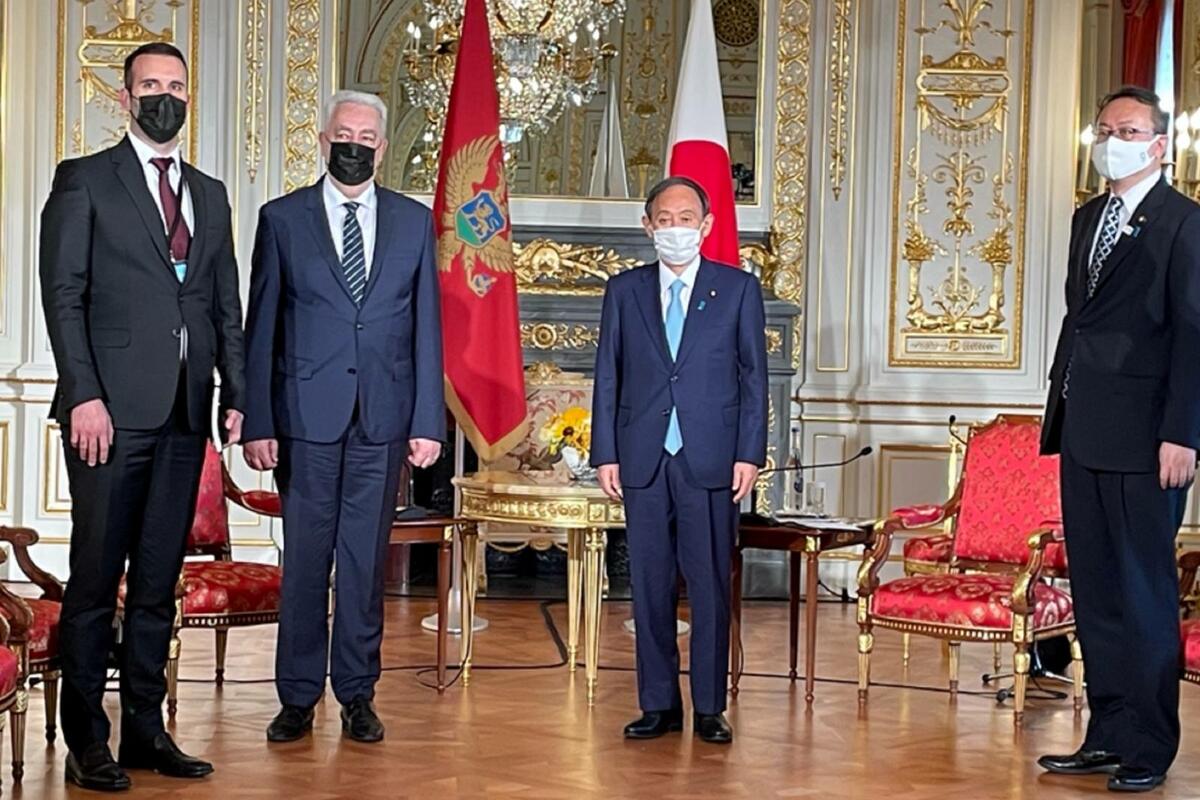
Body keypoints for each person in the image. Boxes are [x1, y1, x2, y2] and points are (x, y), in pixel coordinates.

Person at [39, 42, 245, 791]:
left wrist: (238, 393)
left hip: (187, 412)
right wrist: (84, 395)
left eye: (176, 86)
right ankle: (85, 740)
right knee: (96, 579)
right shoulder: (85, 180)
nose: (164, 96)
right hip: (108, 414)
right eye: (150, 85)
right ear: (125, 99)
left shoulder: (211, 195)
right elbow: (64, 296)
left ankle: (145, 732)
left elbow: (224, 306)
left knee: (158, 582)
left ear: (189, 97)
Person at [242, 90, 445, 744]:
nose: (354, 146)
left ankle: (358, 693)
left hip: (382, 420)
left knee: (363, 564)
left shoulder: (414, 223)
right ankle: (297, 697)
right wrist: (258, 421)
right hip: (304, 419)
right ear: (324, 141)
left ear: (382, 148)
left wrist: (428, 421)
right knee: (306, 561)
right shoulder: (282, 219)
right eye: (343, 136)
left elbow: (426, 328)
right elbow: (261, 329)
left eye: (366, 137)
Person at [1039, 86, 1200, 793]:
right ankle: (1106, 732)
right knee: (1098, 592)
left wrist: (1183, 434)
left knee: (1143, 595)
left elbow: (1194, 335)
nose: (1112, 141)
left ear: (1160, 145)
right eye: (1104, 129)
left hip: (1148, 439)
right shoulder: (1088, 218)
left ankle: (1149, 747)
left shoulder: (1185, 224)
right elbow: (1081, 320)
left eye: (1128, 131)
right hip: (1083, 429)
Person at [590, 176, 768, 744]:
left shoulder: (737, 289)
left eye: (685, 219)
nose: (675, 229)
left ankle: (710, 706)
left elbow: (753, 379)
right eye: (664, 220)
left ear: (706, 225)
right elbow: (608, 375)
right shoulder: (624, 291)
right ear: (648, 227)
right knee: (649, 585)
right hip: (642, 458)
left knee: (709, 583)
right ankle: (659, 703)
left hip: (711, 457)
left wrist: (749, 453)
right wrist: (605, 453)